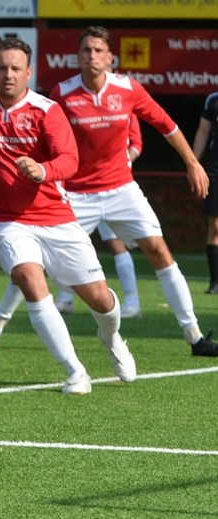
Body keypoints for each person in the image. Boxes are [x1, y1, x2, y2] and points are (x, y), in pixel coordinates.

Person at [0, 37, 135, 394]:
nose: (8, 74)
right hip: (6, 221)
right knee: (28, 277)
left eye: (15, 68)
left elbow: (69, 159)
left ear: (28, 73)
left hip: (57, 218)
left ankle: (112, 337)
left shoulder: (46, 110)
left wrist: (43, 170)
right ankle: (75, 372)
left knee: (101, 300)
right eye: (1, 68)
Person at [21, 26, 213, 356]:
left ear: (110, 57)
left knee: (159, 250)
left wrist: (192, 163)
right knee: (32, 259)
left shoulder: (128, 89)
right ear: (77, 56)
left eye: (98, 50)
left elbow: (167, 125)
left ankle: (195, 337)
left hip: (122, 189)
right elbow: (44, 141)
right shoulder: (62, 93)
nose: (92, 56)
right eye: (86, 50)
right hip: (76, 194)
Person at [0, 115, 143, 351]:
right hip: (70, 195)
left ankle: (132, 303)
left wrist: (115, 165)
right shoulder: (59, 105)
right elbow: (56, 151)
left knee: (118, 246)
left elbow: (136, 143)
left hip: (111, 190)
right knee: (27, 267)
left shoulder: (120, 107)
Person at [191, 90, 218, 294]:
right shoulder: (213, 100)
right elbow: (202, 132)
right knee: (215, 227)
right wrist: (193, 163)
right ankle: (215, 282)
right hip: (216, 171)